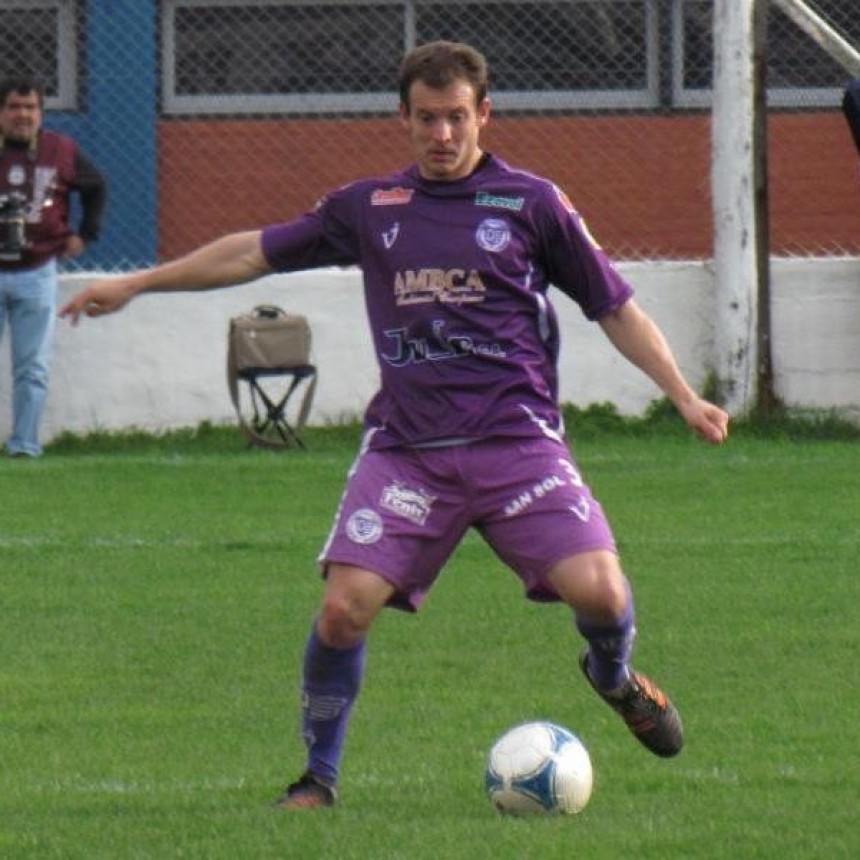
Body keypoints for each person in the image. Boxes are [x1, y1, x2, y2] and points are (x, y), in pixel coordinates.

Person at [60, 41, 729, 809]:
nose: (441, 136)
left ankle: (612, 677)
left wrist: (682, 393)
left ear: (484, 115)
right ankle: (318, 778)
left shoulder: (533, 203)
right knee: (343, 610)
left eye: (455, 119)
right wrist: (139, 283)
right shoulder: (370, 207)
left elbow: (612, 305)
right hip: (410, 454)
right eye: (425, 120)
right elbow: (253, 253)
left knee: (605, 598)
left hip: (518, 447)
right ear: (402, 119)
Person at [0, 76, 107, 458]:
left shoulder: (59, 149)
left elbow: (96, 187)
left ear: (40, 112)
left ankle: (25, 445)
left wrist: (85, 235)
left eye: (30, 108)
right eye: (14, 107)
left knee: (33, 367)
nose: (23, 115)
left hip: (37, 268)